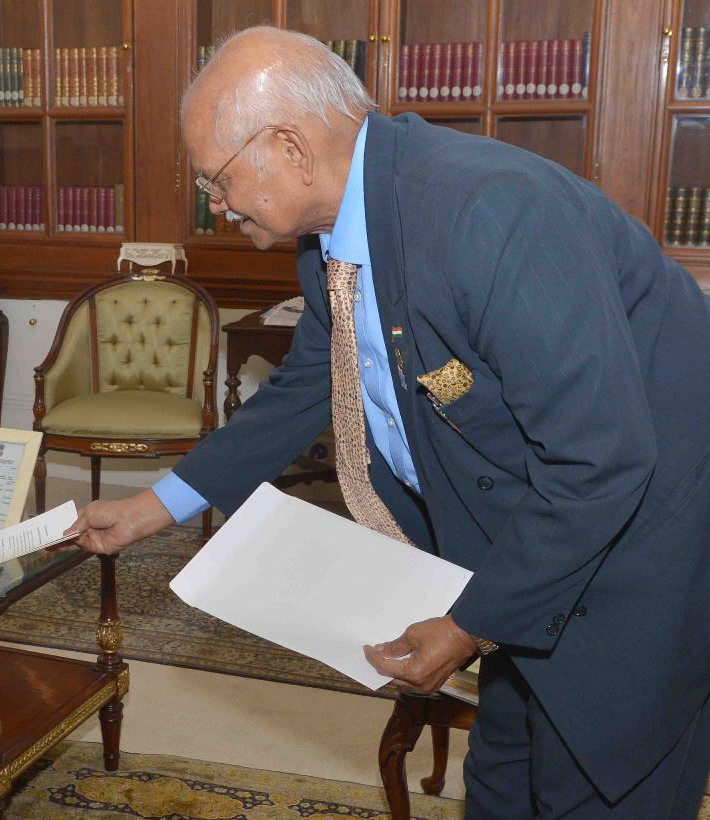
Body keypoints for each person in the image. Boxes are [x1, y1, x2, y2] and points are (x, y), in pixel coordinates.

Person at [72, 25, 710, 818]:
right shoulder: (335, 236)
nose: (216, 202)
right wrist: (155, 505)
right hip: (525, 547)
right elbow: (307, 386)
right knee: (504, 781)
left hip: (638, 554)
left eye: (218, 178)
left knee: (598, 783)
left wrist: (469, 626)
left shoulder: (490, 213)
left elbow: (602, 460)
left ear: (290, 148)